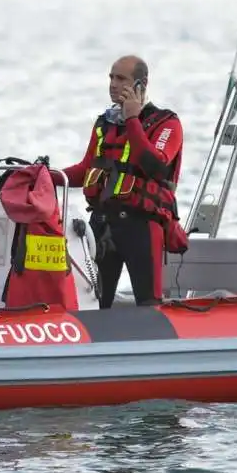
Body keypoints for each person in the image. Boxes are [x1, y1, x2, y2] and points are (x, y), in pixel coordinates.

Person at [54, 55, 186, 308]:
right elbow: (85, 169)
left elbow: (155, 165)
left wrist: (132, 119)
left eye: (121, 79)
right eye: (111, 77)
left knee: (148, 303)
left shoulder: (167, 123)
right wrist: (46, 176)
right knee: (94, 302)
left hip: (142, 227)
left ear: (141, 84)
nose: (113, 84)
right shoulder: (105, 123)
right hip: (102, 225)